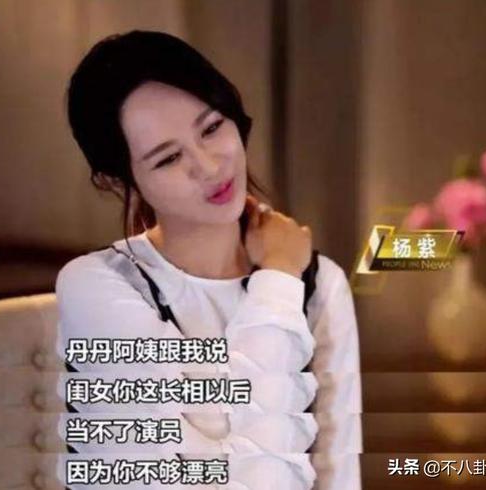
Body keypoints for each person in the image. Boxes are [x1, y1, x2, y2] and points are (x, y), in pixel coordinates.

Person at [55, 30, 362, 490]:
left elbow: (339, 474)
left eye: (212, 128)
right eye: (167, 159)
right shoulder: (98, 287)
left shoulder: (320, 284)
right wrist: (278, 276)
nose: (209, 165)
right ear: (120, 182)